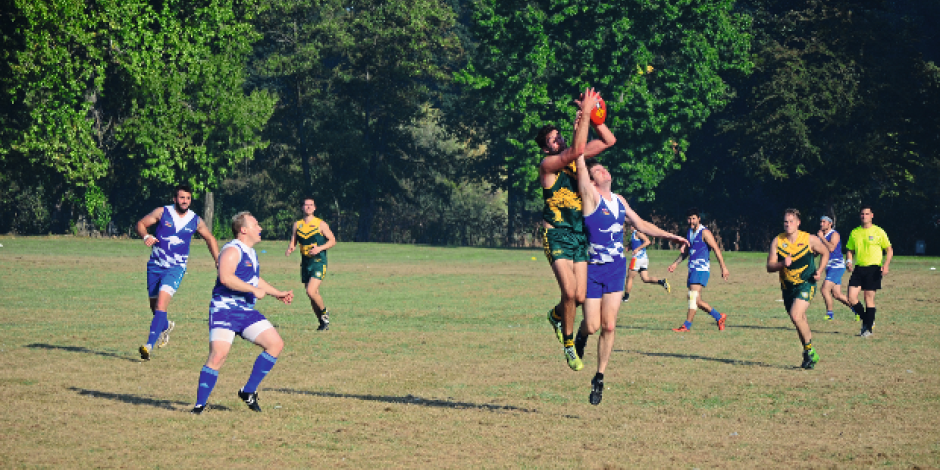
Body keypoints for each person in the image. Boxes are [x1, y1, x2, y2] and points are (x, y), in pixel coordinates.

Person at [573, 157, 688, 404]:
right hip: (593, 269)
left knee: (610, 326)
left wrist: (671, 236)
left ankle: (599, 377)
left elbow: (642, 224)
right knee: (591, 326)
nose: (604, 170)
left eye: (604, 167)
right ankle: (581, 336)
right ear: (592, 180)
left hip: (616, 269)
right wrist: (582, 127)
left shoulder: (620, 201)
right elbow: (580, 163)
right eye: (598, 170)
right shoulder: (591, 196)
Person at [538, 88, 616, 371]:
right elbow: (577, 149)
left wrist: (595, 117)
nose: (558, 140)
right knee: (570, 292)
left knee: (580, 298)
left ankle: (556, 315)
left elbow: (609, 140)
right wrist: (582, 116)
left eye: (560, 135)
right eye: (553, 139)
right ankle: (569, 345)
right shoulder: (548, 165)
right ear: (546, 149)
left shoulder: (575, 160)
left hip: (578, 235)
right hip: (556, 233)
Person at [191, 212, 294, 414]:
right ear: (243, 229)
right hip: (225, 310)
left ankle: (248, 392)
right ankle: (199, 406)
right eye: (256, 224)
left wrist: (277, 293)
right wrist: (253, 290)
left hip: (245, 310)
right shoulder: (232, 250)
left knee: (275, 344)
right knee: (218, 356)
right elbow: (225, 278)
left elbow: (254, 280)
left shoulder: (250, 252)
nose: (260, 228)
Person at [136, 184, 219, 361]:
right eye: (182, 198)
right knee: (155, 308)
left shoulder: (195, 220)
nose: (185, 201)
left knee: (161, 305)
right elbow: (141, 224)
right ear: (175, 199)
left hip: (176, 268)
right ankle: (165, 326)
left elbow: (210, 238)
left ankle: (148, 346)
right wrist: (146, 236)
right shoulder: (162, 212)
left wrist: (218, 259)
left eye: (188, 198)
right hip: (155, 266)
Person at [766, 209, 829, 369]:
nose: (788, 224)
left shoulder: (809, 239)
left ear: (798, 223)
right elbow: (769, 266)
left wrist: (820, 271)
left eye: (791, 221)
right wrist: (781, 264)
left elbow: (825, 252)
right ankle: (809, 353)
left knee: (796, 315)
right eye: (785, 222)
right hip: (787, 287)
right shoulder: (777, 241)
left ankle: (809, 351)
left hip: (806, 283)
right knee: (800, 320)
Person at [668, 208, 730, 332]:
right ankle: (719, 317)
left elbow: (716, 249)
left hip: (701, 269)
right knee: (696, 300)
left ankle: (687, 326)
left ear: (699, 218)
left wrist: (723, 267)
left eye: (693, 218)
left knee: (693, 297)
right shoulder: (689, 232)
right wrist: (676, 263)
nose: (691, 221)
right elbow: (686, 252)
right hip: (692, 269)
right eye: (689, 218)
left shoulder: (704, 232)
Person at [286, 198, 337, 331]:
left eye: (311, 205)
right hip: (305, 262)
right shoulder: (297, 225)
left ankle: (325, 313)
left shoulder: (321, 224)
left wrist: (319, 248)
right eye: (306, 205)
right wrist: (291, 247)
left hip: (319, 261)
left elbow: (332, 241)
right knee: (313, 295)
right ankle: (322, 322)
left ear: (314, 208)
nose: (308, 207)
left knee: (311, 291)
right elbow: (294, 240)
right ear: (302, 208)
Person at [845, 206, 893, 337]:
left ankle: (867, 329)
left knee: (868, 298)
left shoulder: (879, 231)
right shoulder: (855, 232)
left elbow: (889, 249)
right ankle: (868, 320)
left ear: (872, 215)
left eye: (867, 214)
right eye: (862, 214)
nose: (864, 216)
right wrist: (848, 261)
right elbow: (850, 250)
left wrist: (886, 265)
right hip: (859, 268)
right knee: (851, 297)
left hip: (874, 269)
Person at [621, 224, 671, 303]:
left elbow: (647, 241)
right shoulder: (634, 234)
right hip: (644, 259)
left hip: (637, 259)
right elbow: (636, 243)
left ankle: (625, 298)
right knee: (645, 279)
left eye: (631, 225)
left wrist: (637, 249)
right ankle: (662, 282)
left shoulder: (638, 233)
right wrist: (630, 247)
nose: (630, 227)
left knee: (629, 278)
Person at [816, 215, 852, 320]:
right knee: (836, 294)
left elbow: (831, 248)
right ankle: (856, 308)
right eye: (821, 222)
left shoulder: (834, 234)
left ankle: (829, 314)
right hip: (828, 267)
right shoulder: (820, 236)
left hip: (837, 266)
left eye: (824, 222)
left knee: (824, 289)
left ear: (830, 223)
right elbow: (818, 252)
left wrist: (822, 238)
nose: (821, 224)